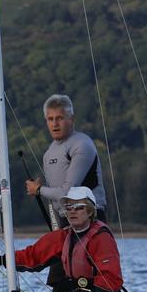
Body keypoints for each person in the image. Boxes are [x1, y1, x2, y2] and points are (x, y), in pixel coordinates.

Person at [0, 187, 122, 292]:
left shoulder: (101, 238)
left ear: (90, 211)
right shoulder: (64, 236)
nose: (72, 211)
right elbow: (32, 256)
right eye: (68, 207)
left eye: (78, 207)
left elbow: (111, 278)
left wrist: (81, 284)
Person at [25, 94, 107, 227]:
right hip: (64, 220)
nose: (55, 124)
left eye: (60, 118)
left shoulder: (81, 144)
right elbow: (55, 201)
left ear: (71, 119)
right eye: (50, 119)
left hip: (89, 217)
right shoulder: (48, 154)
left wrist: (39, 190)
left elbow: (67, 192)